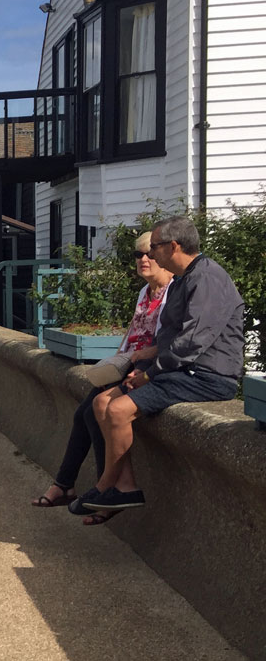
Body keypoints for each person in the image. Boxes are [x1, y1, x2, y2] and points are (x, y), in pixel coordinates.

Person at [77, 216, 245, 514]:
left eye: (154, 247)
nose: (149, 255)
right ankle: (125, 487)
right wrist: (148, 360)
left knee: (117, 409)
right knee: (102, 402)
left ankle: (105, 486)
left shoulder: (206, 279)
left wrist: (150, 374)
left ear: (174, 246)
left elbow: (193, 341)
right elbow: (173, 338)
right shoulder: (184, 278)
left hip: (206, 376)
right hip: (181, 370)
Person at [30, 230, 173, 525]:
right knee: (85, 411)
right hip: (127, 365)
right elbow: (132, 337)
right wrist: (114, 363)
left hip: (148, 371)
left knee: (93, 411)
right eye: (138, 255)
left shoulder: (174, 292)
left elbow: (170, 344)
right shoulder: (144, 293)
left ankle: (99, 489)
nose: (143, 259)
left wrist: (137, 369)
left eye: (149, 253)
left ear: (164, 256)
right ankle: (75, 485)